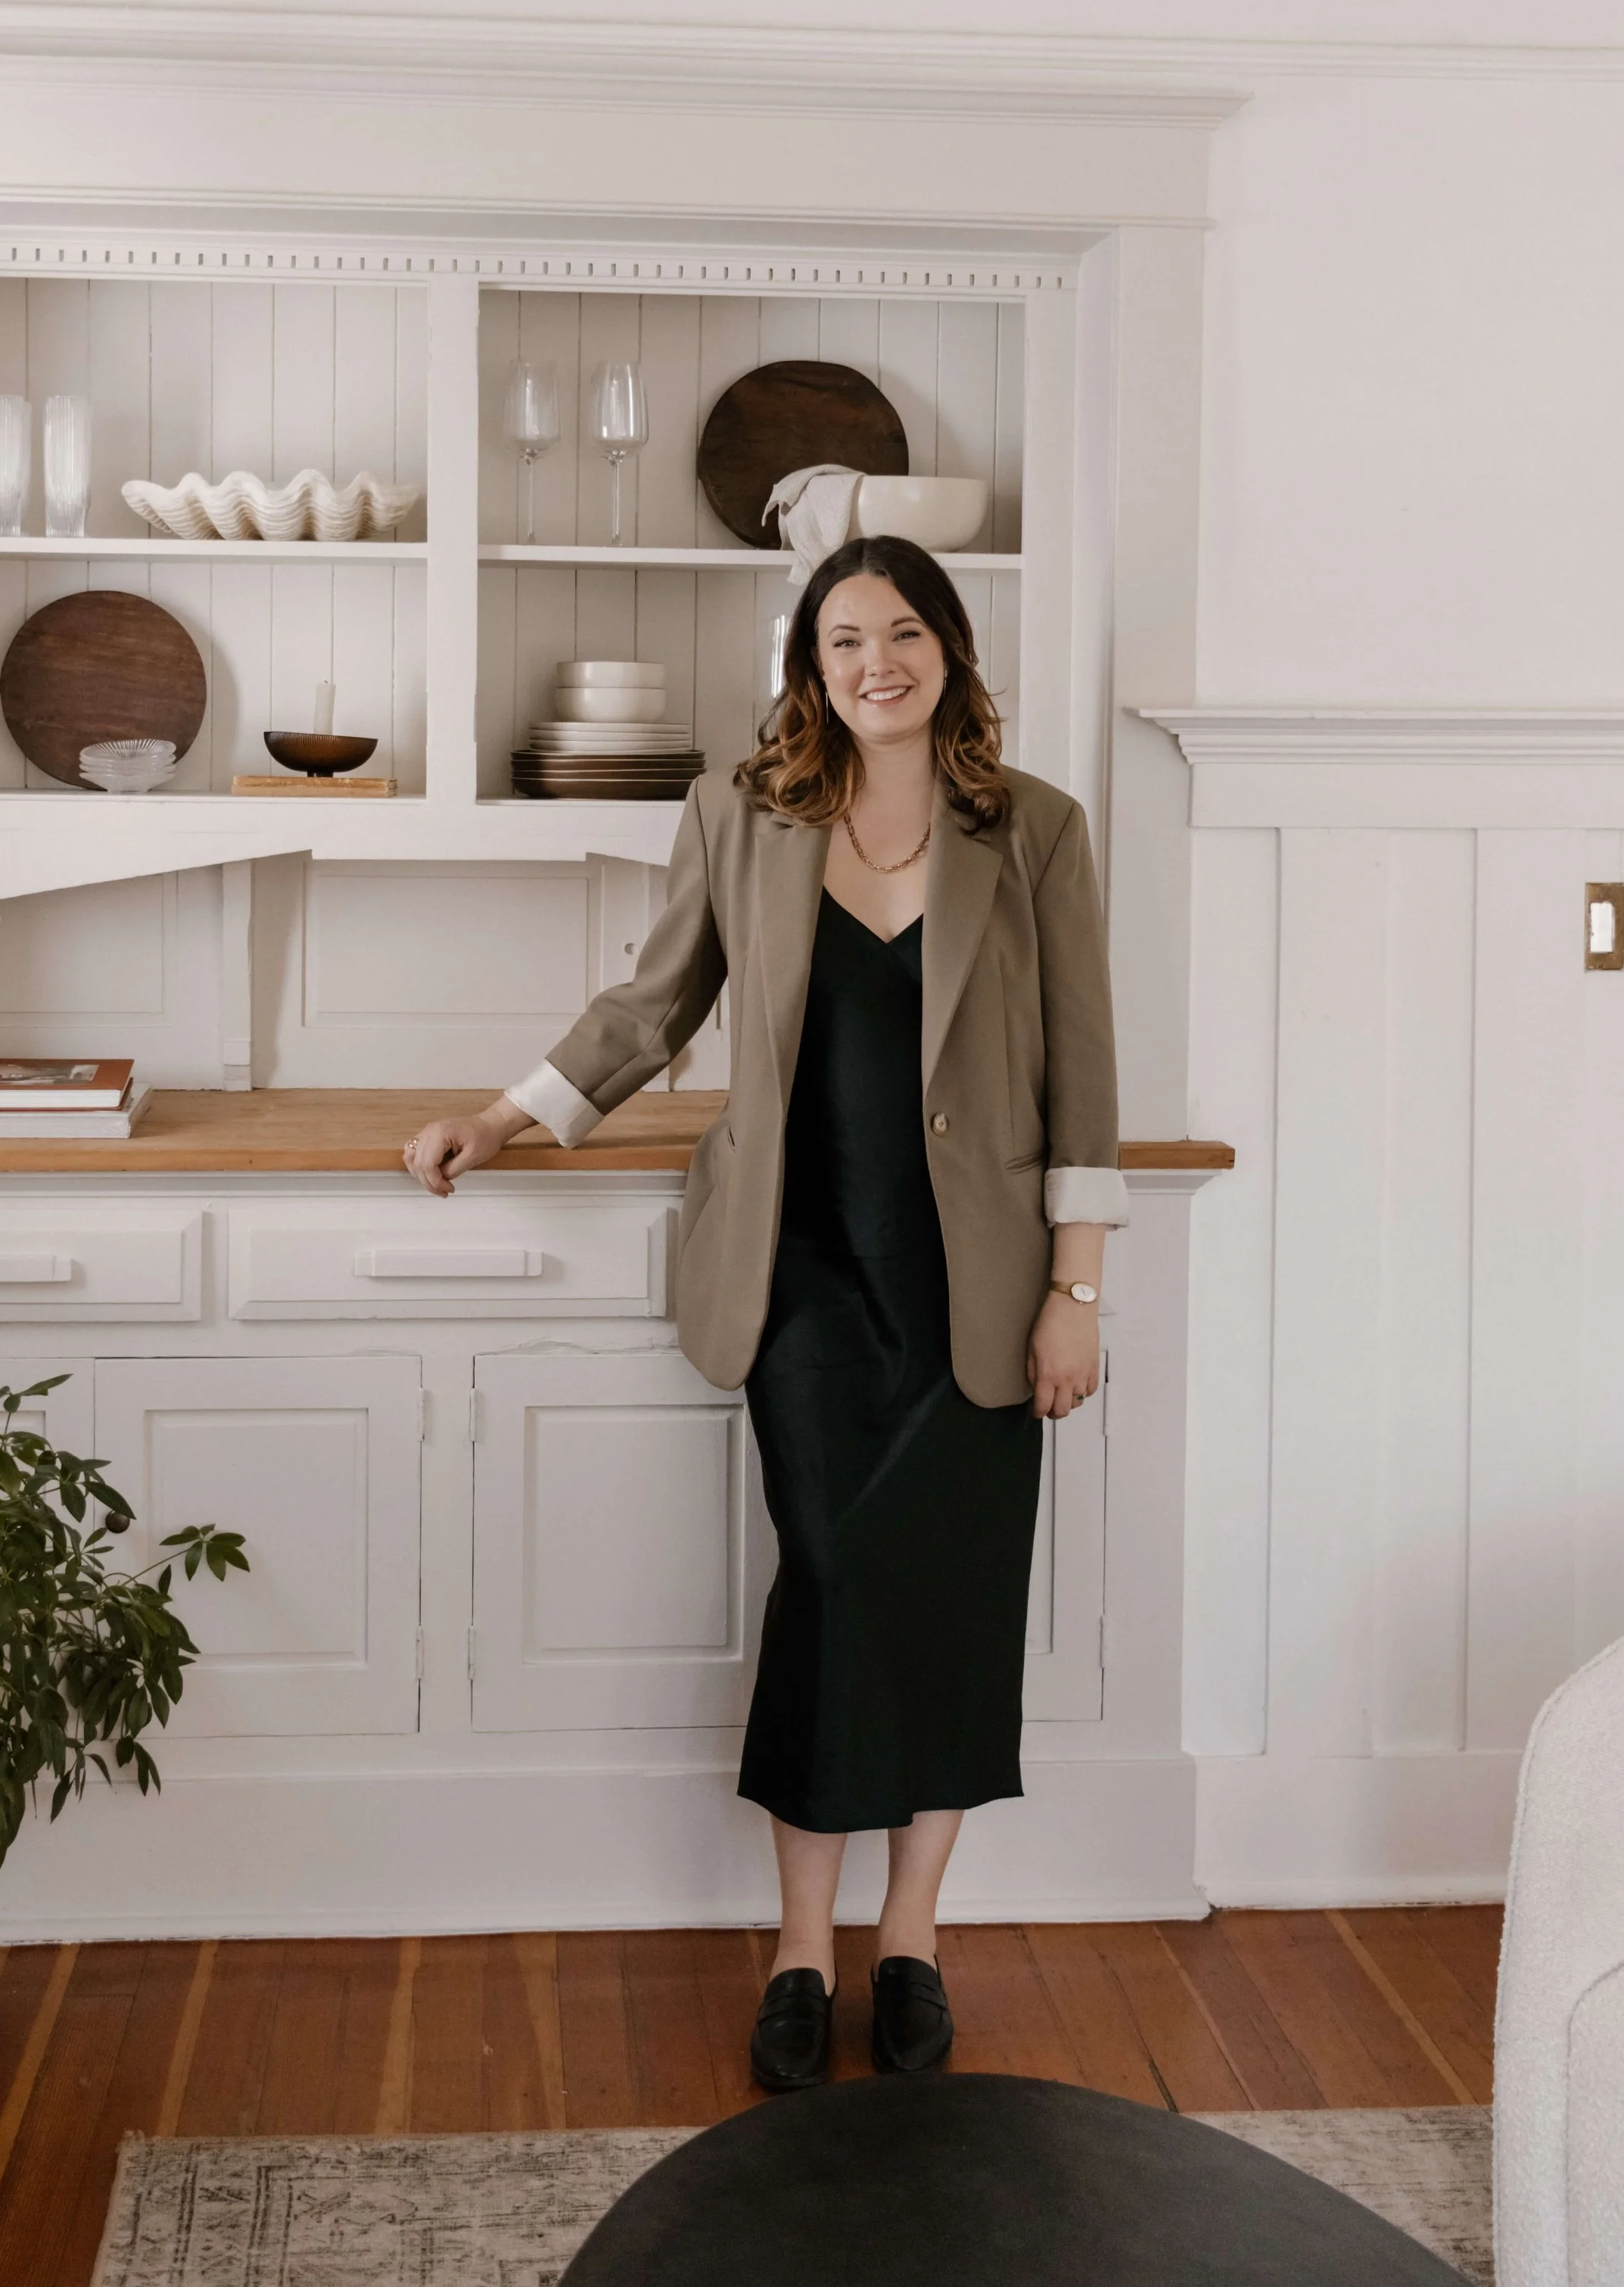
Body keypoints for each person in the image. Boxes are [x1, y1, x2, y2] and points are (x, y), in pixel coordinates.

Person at [405, 535, 1128, 2090]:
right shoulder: (742, 812)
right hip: (796, 1278)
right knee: (834, 1586)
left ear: (949, 648)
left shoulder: (1038, 830)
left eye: (905, 632)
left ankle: (911, 1937)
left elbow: (1085, 1075)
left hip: (982, 1294)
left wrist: (1076, 1291)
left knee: (949, 1609)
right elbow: (649, 1004)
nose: (877, 661)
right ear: (810, 661)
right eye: (844, 637)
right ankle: (801, 1946)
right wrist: (501, 1118)